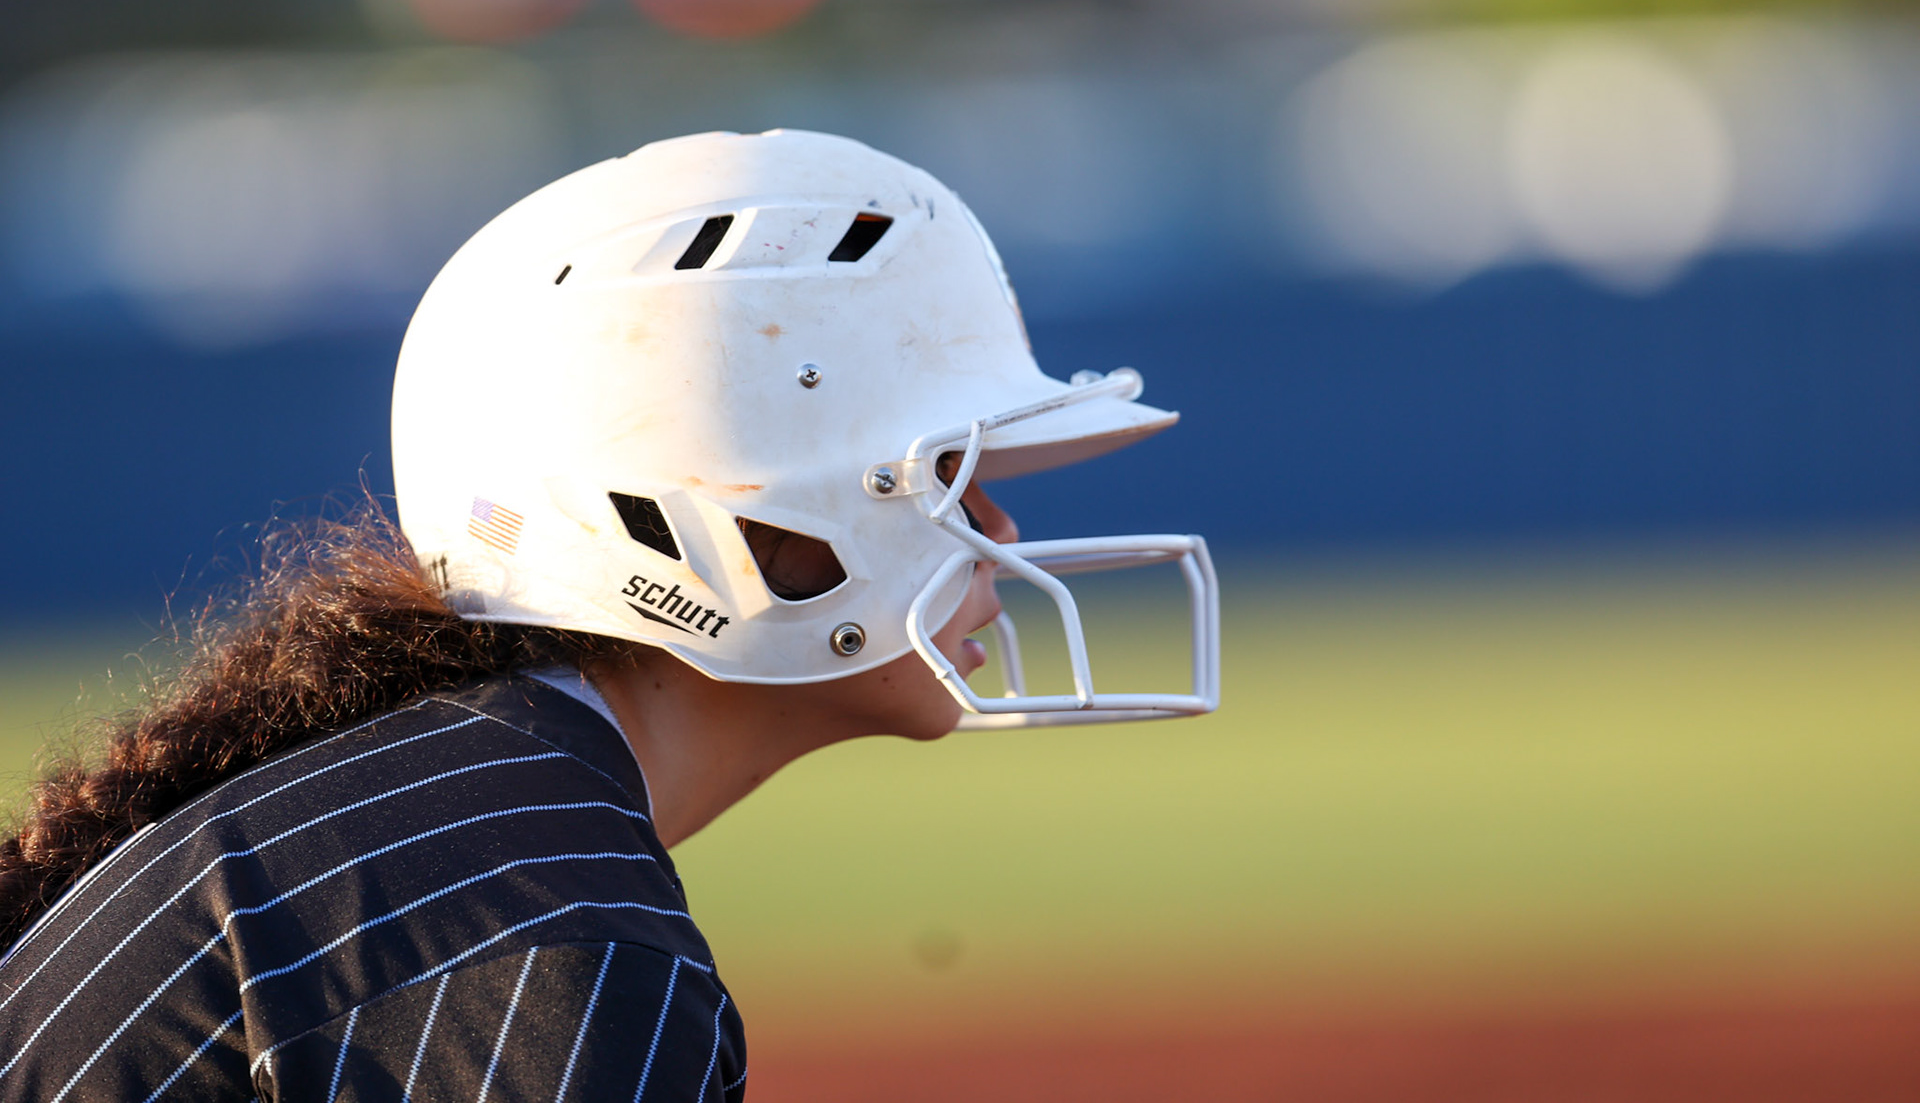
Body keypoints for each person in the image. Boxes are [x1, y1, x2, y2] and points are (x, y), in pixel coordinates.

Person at [0, 130, 1217, 1099]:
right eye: (949, 474)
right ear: (739, 518)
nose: (1000, 533)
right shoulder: (547, 928)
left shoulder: (481, 819)